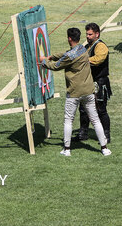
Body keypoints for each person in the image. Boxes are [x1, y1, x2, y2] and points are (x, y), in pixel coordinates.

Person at [40, 27, 111, 157]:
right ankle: (104, 148)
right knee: (95, 119)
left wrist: (43, 62)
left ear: (69, 38)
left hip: (74, 93)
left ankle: (66, 149)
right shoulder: (83, 49)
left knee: (68, 120)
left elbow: (56, 66)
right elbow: (65, 54)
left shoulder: (70, 56)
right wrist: (51, 56)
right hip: (89, 91)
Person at [76, 23, 112, 143]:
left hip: (99, 82)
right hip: (88, 82)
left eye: (90, 34)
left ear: (97, 34)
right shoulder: (88, 46)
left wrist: (82, 60)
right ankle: (83, 133)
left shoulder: (100, 46)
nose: (88, 36)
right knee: (83, 108)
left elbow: (98, 60)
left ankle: (106, 136)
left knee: (101, 110)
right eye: (87, 34)